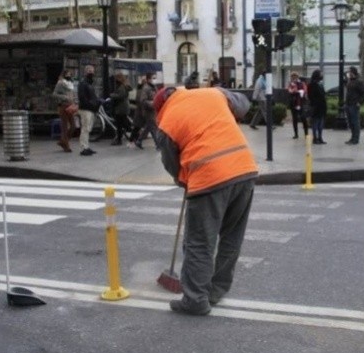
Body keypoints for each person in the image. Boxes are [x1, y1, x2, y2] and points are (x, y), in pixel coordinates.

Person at [152, 86, 258, 316]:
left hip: (209, 177)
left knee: (199, 242)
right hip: (244, 169)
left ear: (160, 107)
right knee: (231, 237)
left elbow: (171, 163)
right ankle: (216, 290)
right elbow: (243, 103)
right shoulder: (212, 93)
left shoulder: (166, 123)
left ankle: (195, 299)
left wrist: (183, 180)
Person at [77, 65, 100, 156]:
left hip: (90, 109)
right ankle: (83, 148)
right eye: (90, 71)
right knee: (85, 128)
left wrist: (96, 103)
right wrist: (91, 104)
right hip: (86, 109)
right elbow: (82, 97)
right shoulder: (83, 83)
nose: (92, 73)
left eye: (92, 71)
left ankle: (86, 146)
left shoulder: (89, 83)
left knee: (88, 129)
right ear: (85, 72)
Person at [52, 69, 77, 152]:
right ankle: (66, 146)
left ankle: (63, 141)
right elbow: (54, 94)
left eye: (70, 74)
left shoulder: (71, 84)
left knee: (73, 126)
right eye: (67, 74)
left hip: (70, 105)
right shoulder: (60, 83)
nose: (69, 76)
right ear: (64, 75)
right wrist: (64, 97)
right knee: (65, 127)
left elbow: (72, 94)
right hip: (63, 106)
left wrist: (74, 101)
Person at [344, 66, 364, 145]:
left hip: (354, 104)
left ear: (353, 72)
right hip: (348, 104)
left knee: (355, 122)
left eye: (350, 72)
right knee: (351, 122)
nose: (348, 73)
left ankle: (356, 139)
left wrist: (360, 102)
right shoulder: (349, 81)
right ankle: (352, 137)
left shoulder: (359, 82)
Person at [134, 72, 159, 149]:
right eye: (152, 78)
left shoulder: (153, 87)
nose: (153, 80)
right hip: (148, 111)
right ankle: (158, 144)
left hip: (153, 110)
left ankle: (139, 141)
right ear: (148, 79)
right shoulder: (146, 88)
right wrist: (152, 103)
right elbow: (143, 100)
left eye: (154, 78)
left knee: (148, 127)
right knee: (153, 128)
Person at [109, 73, 132, 146]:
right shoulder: (124, 86)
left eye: (116, 78)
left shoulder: (121, 87)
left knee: (120, 124)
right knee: (122, 123)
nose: (115, 80)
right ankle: (121, 138)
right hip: (123, 108)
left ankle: (120, 139)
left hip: (120, 108)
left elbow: (120, 96)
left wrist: (112, 95)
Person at [306, 69, 327, 144]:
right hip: (316, 106)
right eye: (321, 74)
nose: (322, 75)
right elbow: (310, 96)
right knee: (315, 123)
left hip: (322, 106)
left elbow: (324, 94)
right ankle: (315, 138)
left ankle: (320, 137)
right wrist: (315, 103)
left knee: (321, 123)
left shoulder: (320, 84)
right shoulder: (311, 84)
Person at [287, 72, 309, 139]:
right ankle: (296, 134)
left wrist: (299, 91)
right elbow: (290, 91)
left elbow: (305, 90)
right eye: (292, 77)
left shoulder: (302, 83)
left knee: (303, 118)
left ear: (297, 77)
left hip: (301, 103)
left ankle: (306, 133)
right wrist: (297, 90)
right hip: (293, 103)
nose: (293, 78)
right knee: (295, 119)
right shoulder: (290, 84)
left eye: (295, 76)